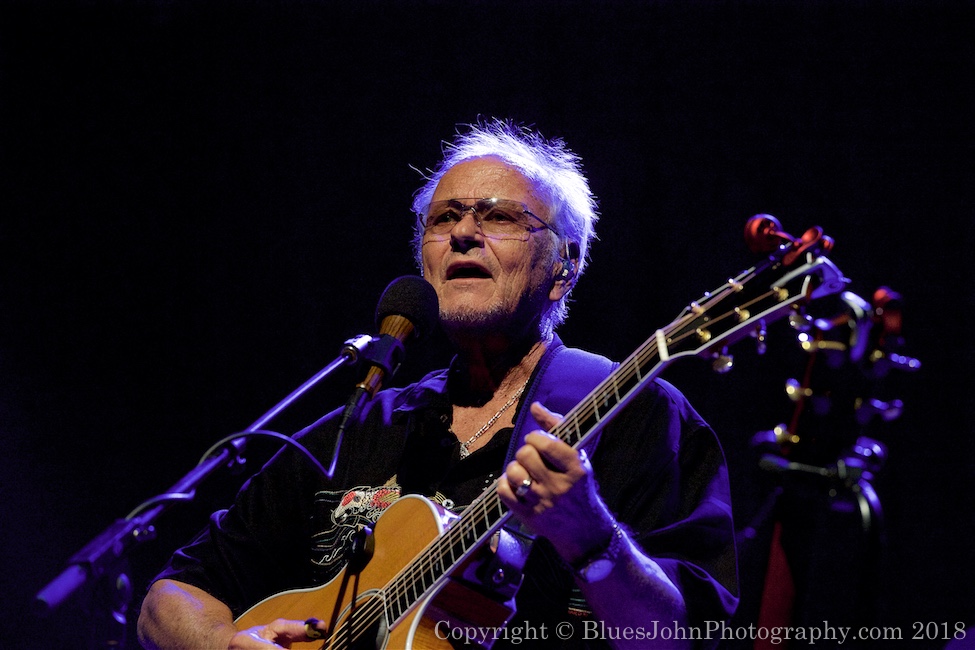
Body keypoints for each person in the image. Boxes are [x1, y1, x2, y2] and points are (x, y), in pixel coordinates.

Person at [137, 118, 738, 649]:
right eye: (444, 218)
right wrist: (223, 643)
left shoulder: (633, 414)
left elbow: (689, 638)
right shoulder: (365, 425)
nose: (463, 233)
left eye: (499, 216)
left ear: (565, 266)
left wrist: (591, 536)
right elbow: (170, 597)